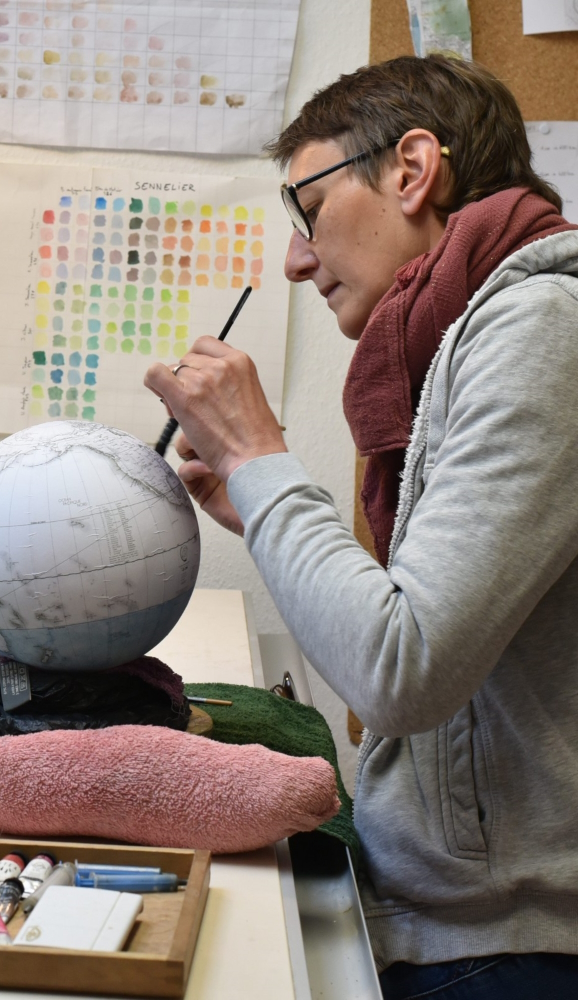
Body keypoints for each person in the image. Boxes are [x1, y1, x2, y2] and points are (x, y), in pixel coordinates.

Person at [144, 55, 578, 1000]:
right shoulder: (474, 333)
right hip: (459, 918)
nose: (297, 259)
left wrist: (263, 462)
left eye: (307, 208)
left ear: (412, 170)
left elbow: (400, 669)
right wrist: (265, 513)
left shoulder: (545, 326)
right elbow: (403, 639)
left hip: (517, 948)